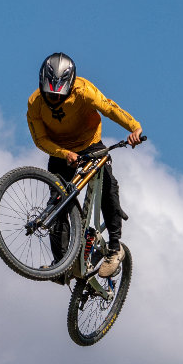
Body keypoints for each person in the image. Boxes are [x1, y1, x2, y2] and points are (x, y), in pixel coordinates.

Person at [27, 52, 144, 278]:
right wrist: (64, 153)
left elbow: (109, 108)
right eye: (49, 95)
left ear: (70, 86)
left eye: (59, 96)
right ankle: (61, 265)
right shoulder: (35, 103)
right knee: (57, 203)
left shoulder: (84, 91)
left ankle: (114, 248)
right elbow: (40, 139)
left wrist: (134, 127)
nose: (54, 100)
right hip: (61, 152)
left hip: (89, 143)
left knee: (108, 187)